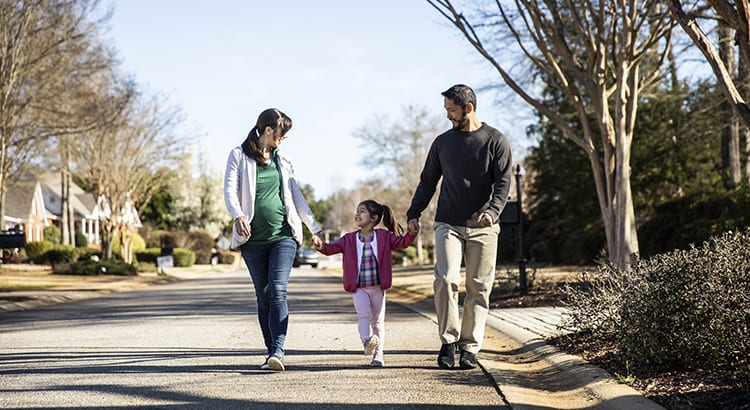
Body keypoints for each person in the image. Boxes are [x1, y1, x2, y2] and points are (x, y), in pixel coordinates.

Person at [406, 84, 513, 370]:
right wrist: (414, 212)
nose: (448, 116)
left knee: (478, 287)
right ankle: (448, 340)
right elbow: (428, 180)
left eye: (451, 110)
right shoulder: (442, 143)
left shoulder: (495, 141)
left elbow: (504, 184)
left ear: (468, 108)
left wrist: (493, 211)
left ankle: (470, 346)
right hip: (448, 223)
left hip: (484, 225)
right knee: (445, 279)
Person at [224, 108, 324, 372]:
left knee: (277, 289)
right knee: (263, 296)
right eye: (282, 134)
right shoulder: (238, 155)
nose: (284, 139)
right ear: (269, 131)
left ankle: (278, 348)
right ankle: (271, 353)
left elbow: (296, 196)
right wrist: (238, 215)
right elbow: (230, 191)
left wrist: (313, 227)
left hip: (283, 236)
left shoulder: (284, 160)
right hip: (252, 240)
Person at [316, 199, 418, 367]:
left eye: (362, 211)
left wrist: (411, 234)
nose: (357, 214)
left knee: (378, 322)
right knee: (364, 316)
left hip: (378, 288)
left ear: (373, 218)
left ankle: (378, 356)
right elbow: (330, 249)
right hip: (359, 289)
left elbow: (403, 243)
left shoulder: (384, 236)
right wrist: (320, 246)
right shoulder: (349, 239)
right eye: (357, 210)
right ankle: (366, 342)